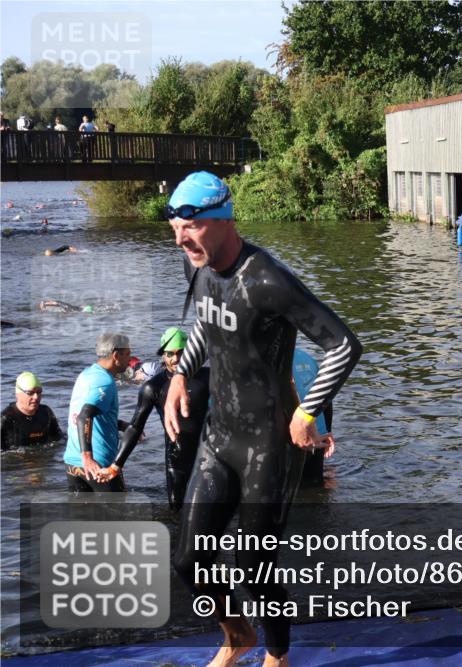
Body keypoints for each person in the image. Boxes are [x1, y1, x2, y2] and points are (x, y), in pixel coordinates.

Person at [164, 171, 362, 667]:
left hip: (268, 448)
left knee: (255, 568)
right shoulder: (197, 264)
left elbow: (343, 345)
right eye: (176, 228)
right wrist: (181, 375)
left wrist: (307, 411)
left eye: (191, 226)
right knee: (188, 560)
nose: (182, 239)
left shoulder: (267, 280)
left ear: (224, 220)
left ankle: (277, 656)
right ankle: (237, 635)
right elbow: (206, 324)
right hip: (219, 437)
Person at [105, 327, 210, 510]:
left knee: (211, 512)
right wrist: (116, 465)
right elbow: (135, 427)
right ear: (163, 355)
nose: (176, 359)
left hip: (208, 456)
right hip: (176, 458)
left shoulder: (208, 377)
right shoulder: (154, 387)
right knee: (176, 512)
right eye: (170, 354)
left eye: (181, 352)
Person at [63, 333, 132, 492]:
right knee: (120, 508)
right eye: (128, 353)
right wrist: (87, 458)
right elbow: (84, 416)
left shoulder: (86, 375)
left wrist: (122, 425)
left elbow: (93, 416)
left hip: (73, 464)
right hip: (97, 466)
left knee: (84, 509)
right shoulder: (105, 382)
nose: (130, 359)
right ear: (116, 355)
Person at [291, 348, 335, 486]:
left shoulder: (269, 359)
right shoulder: (306, 357)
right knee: (315, 487)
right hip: (317, 438)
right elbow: (326, 398)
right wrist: (326, 432)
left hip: (295, 439)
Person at [1, 372, 63, 450]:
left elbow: (59, 440)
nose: (36, 397)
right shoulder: (6, 418)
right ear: (18, 394)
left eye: (39, 392)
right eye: (30, 393)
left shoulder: (46, 412)